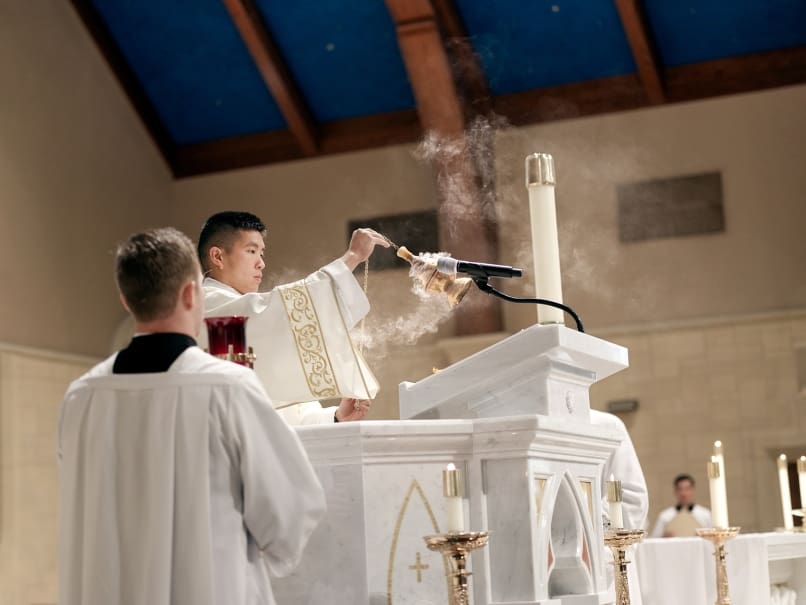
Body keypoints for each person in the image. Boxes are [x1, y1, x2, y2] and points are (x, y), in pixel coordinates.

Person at [58, 228, 326, 605]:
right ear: (190, 293)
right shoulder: (227, 389)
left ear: (125, 299)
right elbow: (290, 509)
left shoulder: (81, 397)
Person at [197, 211, 389, 425]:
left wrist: (335, 417)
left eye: (262, 253)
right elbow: (276, 311)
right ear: (218, 257)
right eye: (251, 251)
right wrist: (351, 257)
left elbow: (291, 412)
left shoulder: (255, 322)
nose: (261, 263)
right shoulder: (208, 308)